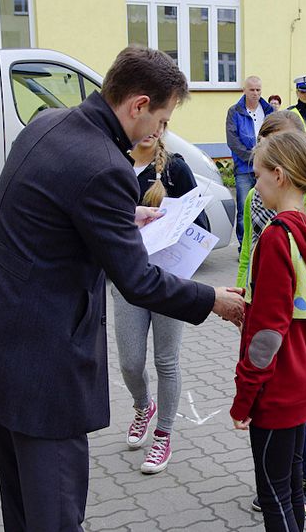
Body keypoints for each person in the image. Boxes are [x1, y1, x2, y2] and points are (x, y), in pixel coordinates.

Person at [0, 46, 245, 532]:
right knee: (56, 514)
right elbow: (139, 280)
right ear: (138, 105)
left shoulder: (48, 123)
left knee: (21, 506)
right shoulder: (105, 165)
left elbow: (52, 208)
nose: (159, 132)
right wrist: (214, 301)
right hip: (42, 367)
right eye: (161, 119)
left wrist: (125, 215)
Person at [231, 131, 306, 532]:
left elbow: (267, 337)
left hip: (276, 389)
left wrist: (244, 398)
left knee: (275, 500)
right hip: (305, 376)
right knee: (291, 490)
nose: (254, 184)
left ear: (279, 176)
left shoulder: (277, 235)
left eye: (257, 176)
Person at [111, 132, 208, 475]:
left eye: (163, 122)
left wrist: (173, 228)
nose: (155, 129)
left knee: (166, 361)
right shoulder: (114, 165)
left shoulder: (175, 170)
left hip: (168, 280)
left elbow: (202, 225)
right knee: (130, 363)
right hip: (127, 280)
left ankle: (163, 435)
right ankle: (143, 406)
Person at [226, 76, 275, 252]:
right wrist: (254, 158)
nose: (255, 93)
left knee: (268, 206)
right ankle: (245, 248)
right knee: (244, 210)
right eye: (252, 89)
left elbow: (275, 136)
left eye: (258, 90)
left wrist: (266, 159)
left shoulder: (269, 111)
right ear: (244, 90)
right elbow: (233, 141)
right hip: (244, 168)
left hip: (267, 168)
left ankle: (264, 246)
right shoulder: (235, 111)